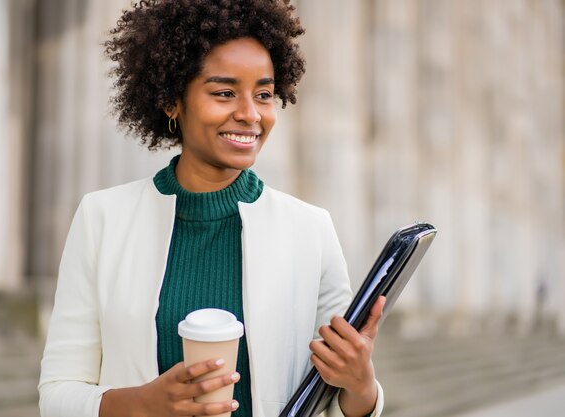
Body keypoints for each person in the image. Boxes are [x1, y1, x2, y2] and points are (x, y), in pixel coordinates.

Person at [38, 1, 385, 417]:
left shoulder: (311, 229)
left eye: (264, 94)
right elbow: (57, 395)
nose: (250, 114)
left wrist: (361, 385)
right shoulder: (102, 219)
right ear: (172, 101)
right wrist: (142, 404)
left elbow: (329, 401)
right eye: (224, 93)